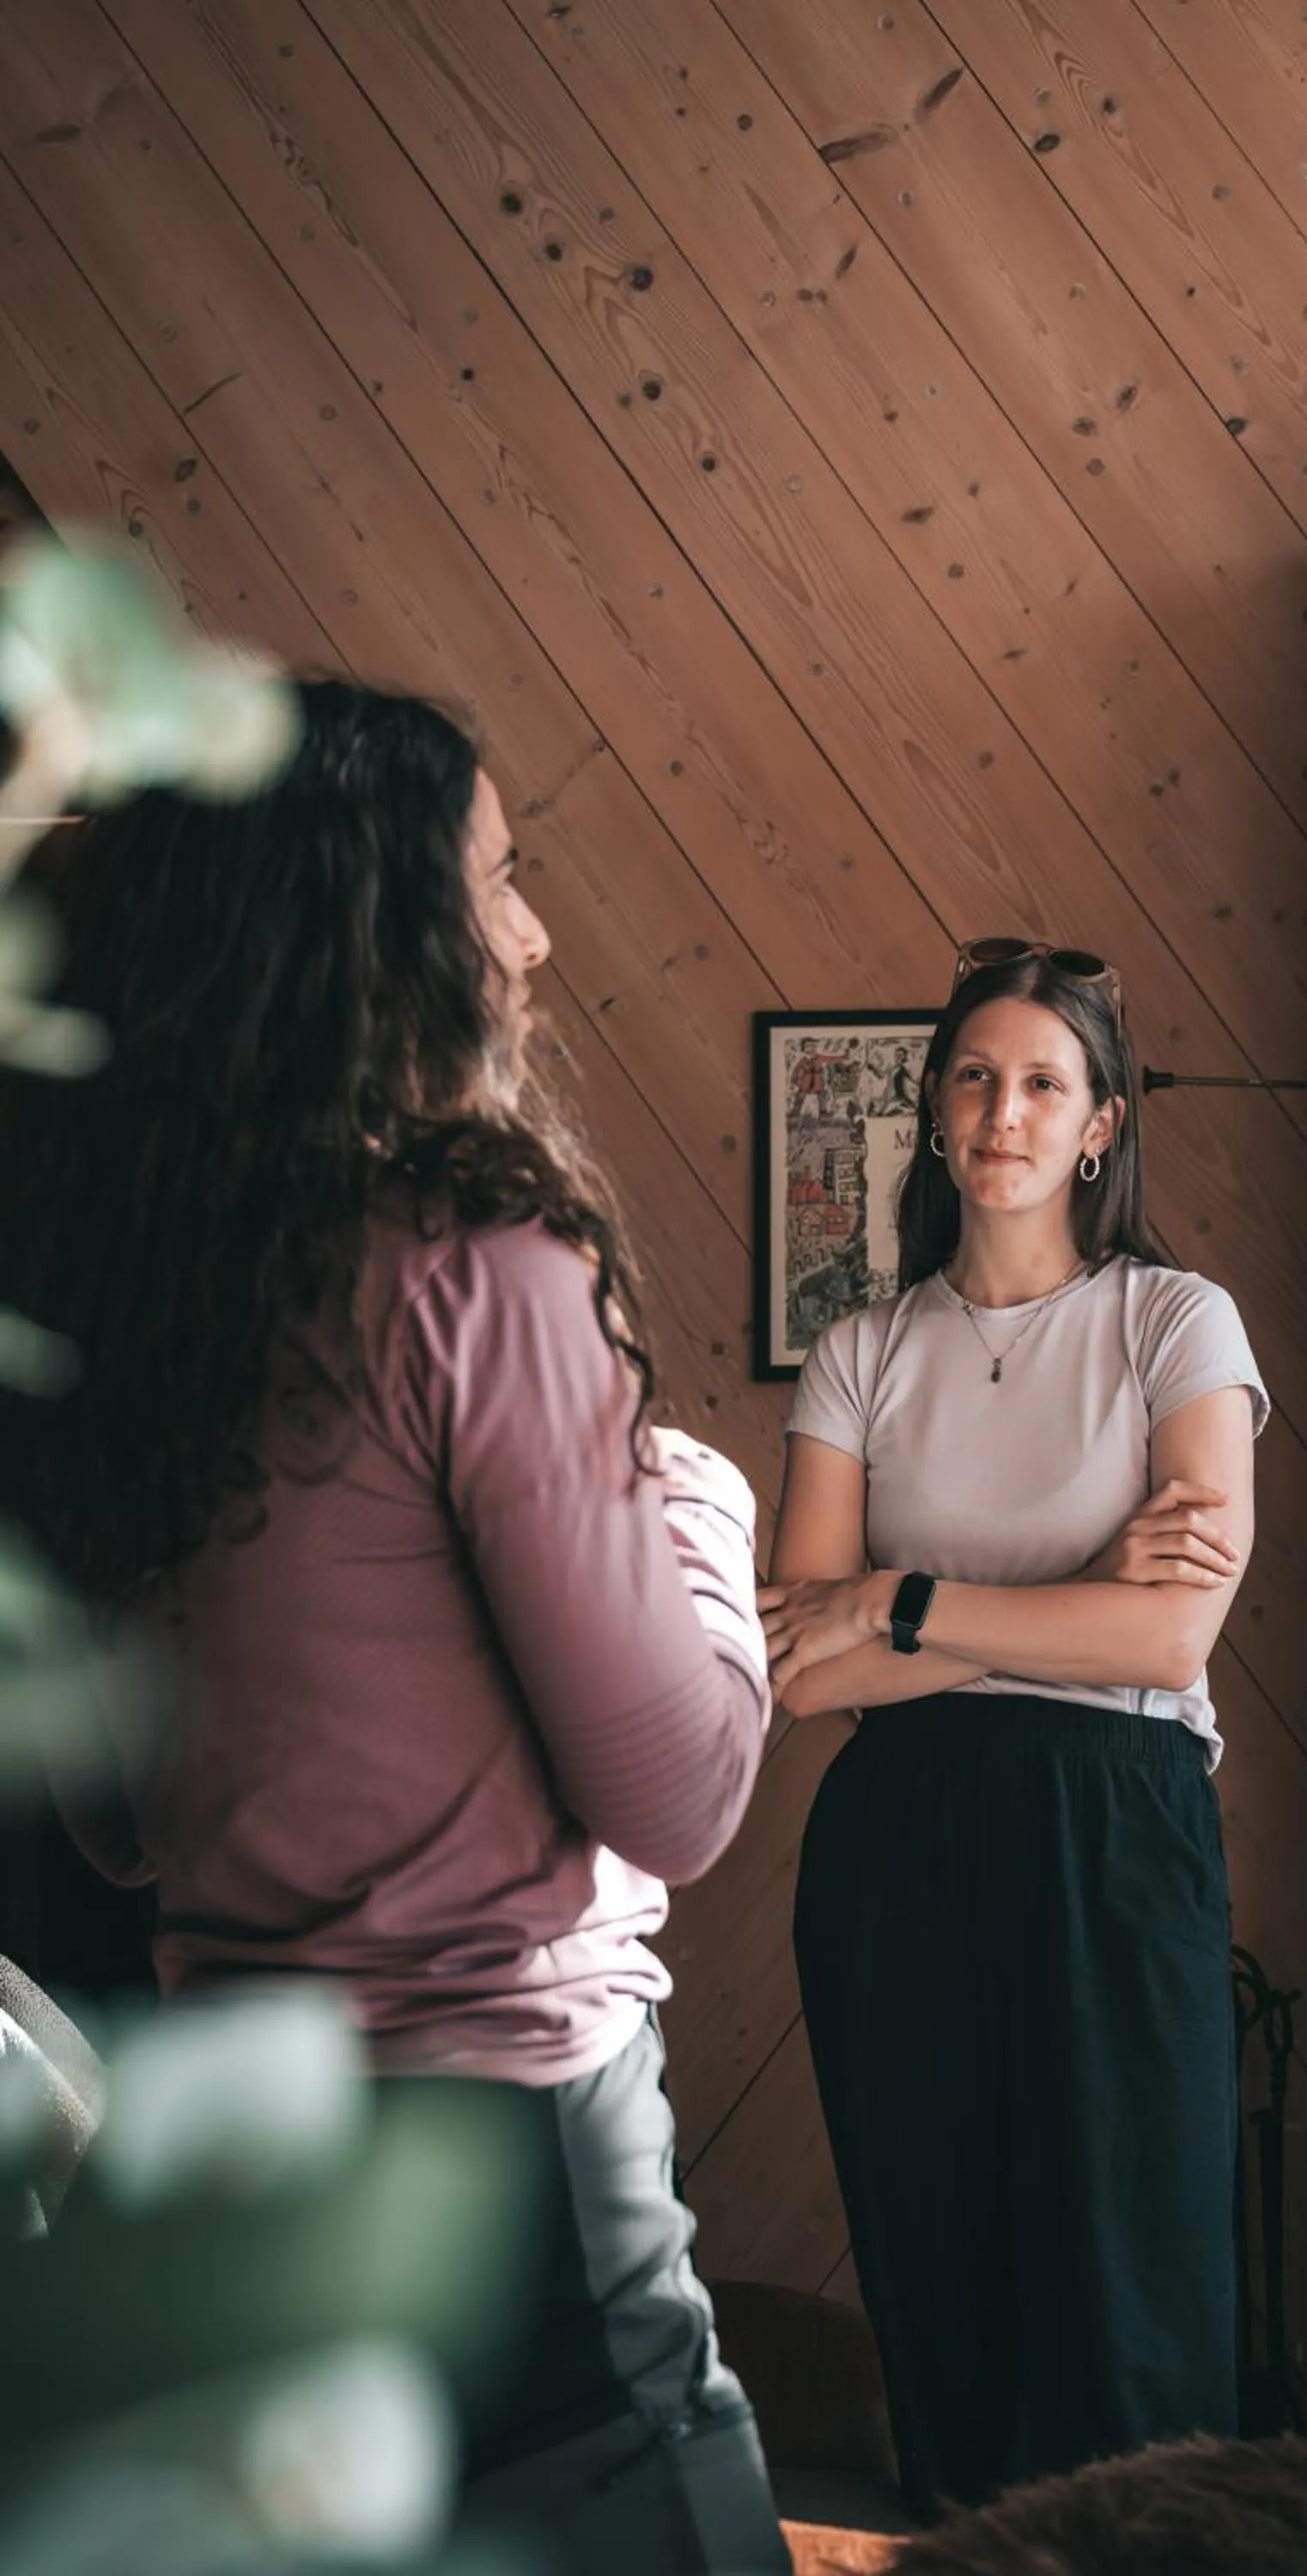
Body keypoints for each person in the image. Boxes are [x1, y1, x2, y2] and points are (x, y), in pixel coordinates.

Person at [0, 679, 790, 2574]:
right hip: (515, 2172)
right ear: (370, 939)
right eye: (495, 886)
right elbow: (680, 1792)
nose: (529, 937)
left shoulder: (118, 1307)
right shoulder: (477, 1270)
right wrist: (695, 1505)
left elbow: (117, 1818)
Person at [759, 937, 1268, 2517]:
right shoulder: (861, 1350)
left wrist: (905, 1604)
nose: (1005, 1109)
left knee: (1136, 2310)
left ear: (1100, 1122)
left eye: (1046, 1081)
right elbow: (797, 1669)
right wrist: (1061, 1592)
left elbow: (1170, 1628)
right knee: (949, 2305)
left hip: (1118, 1833)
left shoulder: (1175, 1325)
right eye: (975, 1075)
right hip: (894, 1851)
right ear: (931, 1107)